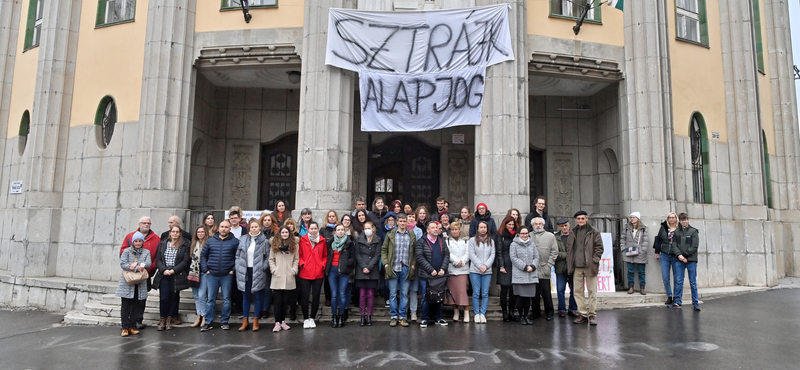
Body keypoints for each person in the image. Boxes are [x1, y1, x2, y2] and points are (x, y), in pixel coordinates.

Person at [119, 217, 160, 330]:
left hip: (144, 275)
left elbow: (155, 257)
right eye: (144, 223)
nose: (146, 225)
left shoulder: (156, 239)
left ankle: (137, 321)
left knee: (140, 300)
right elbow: (122, 254)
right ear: (139, 224)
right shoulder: (129, 236)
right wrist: (132, 267)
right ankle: (126, 325)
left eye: (148, 223)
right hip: (129, 276)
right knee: (127, 302)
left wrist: (150, 268)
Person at [200, 220, 239, 332]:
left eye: (226, 227)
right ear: (218, 228)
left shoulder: (235, 242)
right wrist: (205, 269)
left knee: (227, 299)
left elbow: (239, 257)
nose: (223, 229)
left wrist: (233, 270)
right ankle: (208, 322)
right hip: (212, 274)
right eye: (222, 226)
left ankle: (225, 321)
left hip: (227, 274)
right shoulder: (210, 241)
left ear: (230, 228)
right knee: (211, 299)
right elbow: (203, 256)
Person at [566, 211, 604, 326]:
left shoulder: (593, 231)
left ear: (586, 219)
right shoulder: (573, 232)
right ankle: (583, 313)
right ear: (576, 220)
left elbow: (599, 248)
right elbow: (569, 249)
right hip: (577, 266)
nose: (580, 220)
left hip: (590, 266)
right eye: (578, 218)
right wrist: (570, 263)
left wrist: (594, 260)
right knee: (577, 292)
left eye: (582, 218)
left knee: (592, 291)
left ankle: (592, 314)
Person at [381, 213, 417, 327]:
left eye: (404, 221)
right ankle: (393, 316)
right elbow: (384, 250)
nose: (402, 223)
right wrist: (386, 264)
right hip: (393, 267)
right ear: (397, 222)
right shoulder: (390, 234)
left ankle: (402, 316)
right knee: (392, 294)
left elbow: (415, 252)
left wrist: (413, 265)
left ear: (407, 222)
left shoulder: (411, 234)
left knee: (404, 294)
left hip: (406, 268)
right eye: (400, 221)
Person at [153, 225, 191, 331]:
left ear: (179, 233)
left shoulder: (184, 245)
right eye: (173, 231)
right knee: (164, 298)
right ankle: (162, 318)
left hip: (176, 274)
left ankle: (170, 318)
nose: (175, 233)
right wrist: (163, 269)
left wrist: (174, 270)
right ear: (170, 233)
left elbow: (185, 261)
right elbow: (158, 258)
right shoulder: (163, 243)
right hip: (164, 274)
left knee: (173, 298)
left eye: (177, 232)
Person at [235, 219, 270, 332]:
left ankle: (256, 320)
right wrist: (238, 266)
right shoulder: (243, 239)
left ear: (260, 228)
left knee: (258, 296)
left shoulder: (264, 240)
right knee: (245, 296)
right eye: (252, 227)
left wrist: (263, 267)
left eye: (256, 227)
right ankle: (245, 320)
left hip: (258, 271)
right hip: (245, 271)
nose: (254, 229)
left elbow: (268, 257)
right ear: (249, 228)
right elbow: (238, 255)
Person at [416, 221, 450, 328]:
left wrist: (443, 268)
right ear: (427, 230)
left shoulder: (441, 241)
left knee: (439, 296)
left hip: (439, 275)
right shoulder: (421, 242)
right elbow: (419, 257)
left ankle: (438, 318)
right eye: (433, 228)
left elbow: (447, 255)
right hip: (427, 275)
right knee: (426, 297)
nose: (436, 229)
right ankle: (425, 318)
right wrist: (430, 270)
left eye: (437, 227)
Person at [116, 231, 151, 337]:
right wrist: (136, 267)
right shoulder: (127, 251)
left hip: (140, 282)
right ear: (133, 242)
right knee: (126, 305)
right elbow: (123, 264)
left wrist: (137, 264)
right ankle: (125, 327)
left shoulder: (146, 252)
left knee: (137, 305)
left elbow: (148, 263)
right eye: (136, 241)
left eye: (140, 241)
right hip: (128, 281)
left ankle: (132, 326)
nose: (138, 243)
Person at [325, 224, 356, 328]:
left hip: (344, 271)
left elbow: (353, 257)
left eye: (342, 230)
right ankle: (334, 317)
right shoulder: (329, 242)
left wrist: (347, 264)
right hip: (332, 270)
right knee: (334, 294)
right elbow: (326, 255)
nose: (340, 231)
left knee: (342, 294)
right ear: (335, 231)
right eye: (338, 230)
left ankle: (341, 316)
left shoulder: (349, 242)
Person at [269, 226, 299, 332]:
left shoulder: (294, 245)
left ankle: (283, 321)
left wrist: (294, 270)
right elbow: (271, 259)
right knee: (278, 301)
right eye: (283, 232)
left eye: (286, 232)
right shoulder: (274, 245)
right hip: (277, 275)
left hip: (289, 275)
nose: (285, 234)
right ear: (280, 233)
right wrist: (274, 270)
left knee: (286, 301)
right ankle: (277, 322)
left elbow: (296, 259)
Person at [298, 221, 327, 328]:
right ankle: (306, 318)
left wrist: (322, 265)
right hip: (305, 272)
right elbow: (299, 254)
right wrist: (302, 264)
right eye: (312, 228)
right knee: (305, 297)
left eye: (315, 228)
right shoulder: (303, 240)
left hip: (318, 273)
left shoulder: (322, 240)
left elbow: (325, 256)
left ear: (318, 229)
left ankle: (312, 318)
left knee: (316, 297)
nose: (314, 230)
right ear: (308, 229)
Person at [670, 213, 701, 311]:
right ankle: (678, 301)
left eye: (685, 219)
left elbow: (694, 246)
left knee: (693, 282)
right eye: (682, 220)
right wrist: (679, 255)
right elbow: (674, 245)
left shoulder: (693, 231)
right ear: (679, 221)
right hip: (679, 260)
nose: (684, 221)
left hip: (691, 260)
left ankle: (695, 302)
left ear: (688, 220)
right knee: (679, 281)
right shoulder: (676, 232)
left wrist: (686, 255)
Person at [510, 226, 539, 325]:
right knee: (520, 298)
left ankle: (526, 316)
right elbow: (513, 258)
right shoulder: (513, 244)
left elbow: (536, 256)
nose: (525, 235)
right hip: (519, 275)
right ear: (518, 234)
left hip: (531, 275)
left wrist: (533, 266)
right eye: (523, 233)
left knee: (528, 297)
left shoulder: (532, 244)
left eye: (526, 233)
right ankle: (521, 316)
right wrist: (525, 267)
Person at [530, 217, 558, 321]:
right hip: (533, 269)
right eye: (535, 224)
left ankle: (549, 312)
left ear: (543, 225)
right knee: (534, 293)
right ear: (533, 225)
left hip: (545, 268)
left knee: (546, 292)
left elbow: (554, 252)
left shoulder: (550, 236)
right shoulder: (529, 235)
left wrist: (548, 265)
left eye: (540, 224)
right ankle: (535, 312)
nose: (538, 225)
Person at [468, 221, 495, 324]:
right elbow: (472, 254)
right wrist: (480, 266)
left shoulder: (491, 241)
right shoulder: (472, 241)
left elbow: (492, 255)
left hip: (487, 271)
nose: (483, 229)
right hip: (475, 270)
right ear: (478, 229)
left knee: (485, 293)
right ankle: (476, 314)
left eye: (485, 227)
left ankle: (482, 313)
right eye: (481, 227)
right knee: (475, 293)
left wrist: (486, 266)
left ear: (487, 229)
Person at [355, 221, 381, 326]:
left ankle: (369, 316)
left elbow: (377, 254)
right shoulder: (359, 239)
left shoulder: (378, 240)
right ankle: (362, 316)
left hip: (372, 270)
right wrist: (363, 266)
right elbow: (357, 254)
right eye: (365, 228)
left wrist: (369, 267)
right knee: (362, 295)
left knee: (370, 294)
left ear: (373, 229)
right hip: (361, 270)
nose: (367, 230)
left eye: (369, 228)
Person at [445, 221, 470, 323]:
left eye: (456, 229)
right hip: (452, 269)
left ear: (459, 230)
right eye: (452, 229)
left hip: (463, 270)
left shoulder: (466, 241)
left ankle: (466, 312)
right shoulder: (447, 241)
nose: (454, 231)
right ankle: (456, 311)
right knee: (453, 292)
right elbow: (447, 252)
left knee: (462, 292)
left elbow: (468, 253)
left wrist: (462, 261)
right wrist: (455, 261)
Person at [496, 215, 519, 322]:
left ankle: (511, 311)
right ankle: (504, 312)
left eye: (512, 225)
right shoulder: (501, 235)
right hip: (504, 264)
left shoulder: (517, 235)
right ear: (505, 225)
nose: (511, 226)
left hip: (514, 264)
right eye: (509, 224)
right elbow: (499, 252)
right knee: (504, 290)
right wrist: (501, 266)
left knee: (513, 291)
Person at [621, 212, 649, 295]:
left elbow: (646, 240)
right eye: (631, 217)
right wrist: (623, 248)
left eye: (634, 217)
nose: (632, 219)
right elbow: (622, 238)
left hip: (640, 253)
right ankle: (631, 287)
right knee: (630, 271)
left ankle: (642, 288)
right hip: (629, 251)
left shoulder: (643, 228)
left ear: (638, 218)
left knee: (641, 271)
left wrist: (642, 250)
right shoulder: (626, 227)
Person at [554, 218, 578, 318]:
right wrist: (567, 255)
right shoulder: (555, 238)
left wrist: (571, 256)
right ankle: (562, 309)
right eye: (561, 226)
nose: (564, 227)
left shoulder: (575, 236)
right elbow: (555, 253)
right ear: (559, 227)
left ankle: (572, 309)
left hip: (573, 267)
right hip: (560, 267)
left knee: (574, 289)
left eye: (566, 225)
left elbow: (578, 251)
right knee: (560, 290)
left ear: (569, 225)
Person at [654, 212, 679, 306]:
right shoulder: (663, 227)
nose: (671, 219)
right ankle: (669, 296)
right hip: (664, 254)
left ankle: (676, 297)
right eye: (669, 217)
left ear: (676, 219)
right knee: (665, 277)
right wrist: (657, 252)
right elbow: (658, 239)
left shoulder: (679, 228)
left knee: (677, 277)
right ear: (667, 219)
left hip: (676, 255)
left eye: (673, 217)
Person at [188, 225, 209, 328]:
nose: (200, 234)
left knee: (202, 295)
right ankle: (198, 316)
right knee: (196, 296)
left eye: (202, 232)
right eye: (198, 232)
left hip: (204, 272)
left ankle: (204, 316)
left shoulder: (208, 244)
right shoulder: (192, 244)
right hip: (194, 272)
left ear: (205, 233)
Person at [405, 212, 423, 321]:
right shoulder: (401, 229)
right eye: (409, 217)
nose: (411, 218)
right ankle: (403, 310)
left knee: (413, 289)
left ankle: (413, 311)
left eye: (412, 217)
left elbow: (419, 246)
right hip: (403, 262)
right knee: (403, 289)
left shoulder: (419, 231)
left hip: (414, 262)